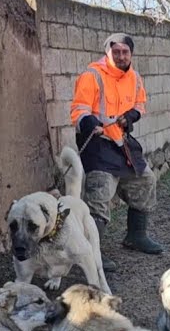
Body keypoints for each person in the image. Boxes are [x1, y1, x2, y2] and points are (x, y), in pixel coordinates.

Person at [69, 32, 164, 272]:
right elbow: (79, 109)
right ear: (108, 52)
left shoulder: (134, 77)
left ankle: (136, 236)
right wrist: (90, 122)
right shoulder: (92, 75)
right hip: (97, 143)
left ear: (131, 53)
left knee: (145, 180)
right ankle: (92, 253)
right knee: (100, 195)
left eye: (125, 52)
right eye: (116, 51)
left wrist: (132, 115)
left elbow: (140, 103)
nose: (121, 56)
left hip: (122, 141)